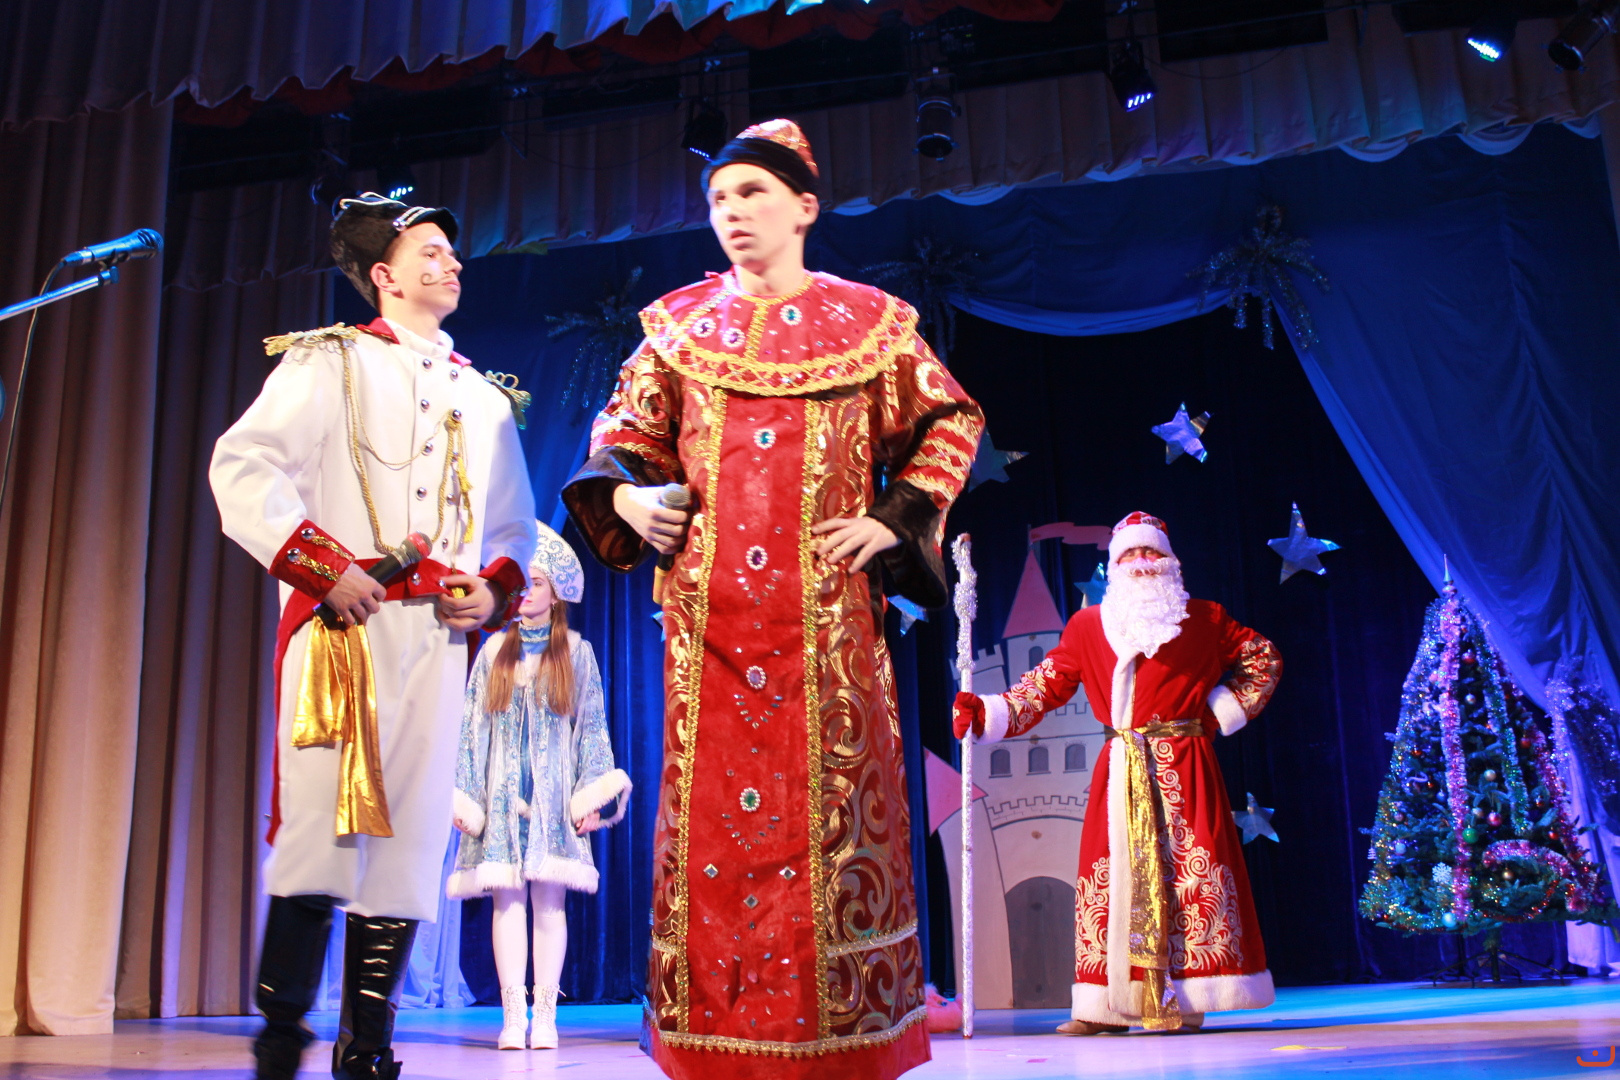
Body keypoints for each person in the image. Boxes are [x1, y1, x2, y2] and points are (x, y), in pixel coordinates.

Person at [561, 120, 983, 1080]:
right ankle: (715, 1044)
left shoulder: (871, 326)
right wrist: (626, 497)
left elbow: (950, 420)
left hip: (828, 629)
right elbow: (622, 439)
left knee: (834, 827)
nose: (732, 214)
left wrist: (897, 518)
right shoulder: (677, 330)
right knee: (713, 832)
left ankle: (842, 1045)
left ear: (804, 207)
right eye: (718, 200)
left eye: (751, 194)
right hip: (710, 633)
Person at [211, 192, 537, 1080]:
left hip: (432, 642)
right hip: (340, 632)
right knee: (320, 829)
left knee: (410, 840)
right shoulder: (329, 362)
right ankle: (280, 1041)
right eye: (430, 252)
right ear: (385, 275)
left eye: (453, 253)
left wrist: (492, 590)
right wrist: (323, 566)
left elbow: (512, 527)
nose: (451, 263)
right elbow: (243, 465)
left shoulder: (485, 399)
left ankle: (370, 1047)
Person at [953, 512, 1282, 1035]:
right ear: (1114, 565)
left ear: (1170, 561)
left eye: (1152, 552)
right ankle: (1102, 1007)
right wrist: (988, 714)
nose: (1142, 562)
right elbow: (1045, 685)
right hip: (1121, 769)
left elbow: (1262, 658)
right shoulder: (1088, 626)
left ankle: (1183, 1000)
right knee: (1110, 879)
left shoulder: (1204, 618)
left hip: (1185, 768)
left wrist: (1218, 712)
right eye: (1130, 553)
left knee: (1185, 876)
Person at [447, 521, 632, 1051]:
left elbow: (592, 729)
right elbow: (472, 732)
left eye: (538, 583)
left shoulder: (577, 652)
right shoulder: (492, 653)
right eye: (522, 583)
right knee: (507, 903)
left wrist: (591, 797)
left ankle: (545, 1015)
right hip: (503, 800)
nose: (527, 592)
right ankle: (513, 1017)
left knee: (550, 905)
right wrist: (467, 799)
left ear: (555, 595)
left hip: (553, 802)